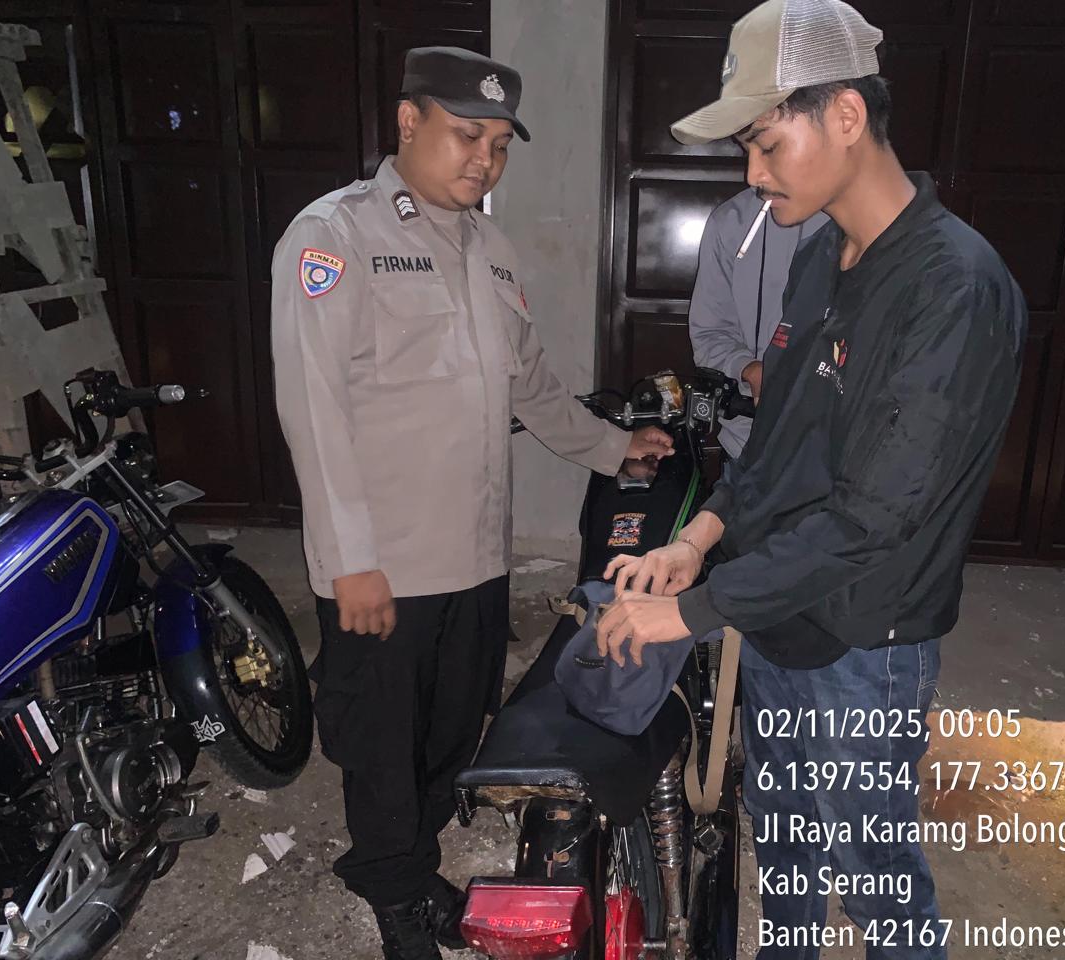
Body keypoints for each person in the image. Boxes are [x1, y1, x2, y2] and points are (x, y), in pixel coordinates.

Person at [595, 1, 1027, 958]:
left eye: (765, 143)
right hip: (775, 609)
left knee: (873, 878)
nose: (752, 174)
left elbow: (875, 516)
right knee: (783, 839)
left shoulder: (954, 288)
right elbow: (780, 442)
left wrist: (692, 612)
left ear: (846, 115)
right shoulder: (821, 255)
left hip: (865, 639)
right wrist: (697, 540)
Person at [270, 47, 672, 960]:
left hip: (477, 556)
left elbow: (530, 384)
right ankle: (396, 895)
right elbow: (314, 411)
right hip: (385, 565)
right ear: (408, 121)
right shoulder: (334, 236)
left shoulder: (491, 250)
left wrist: (615, 447)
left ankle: (410, 867)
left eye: (498, 145)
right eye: (465, 136)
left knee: (451, 737)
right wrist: (348, 561)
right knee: (381, 745)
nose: (484, 160)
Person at [689, 188, 826, 458]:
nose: (755, 173)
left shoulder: (862, 215)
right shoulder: (731, 220)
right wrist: (748, 368)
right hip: (746, 443)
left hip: (840, 449)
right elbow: (709, 332)